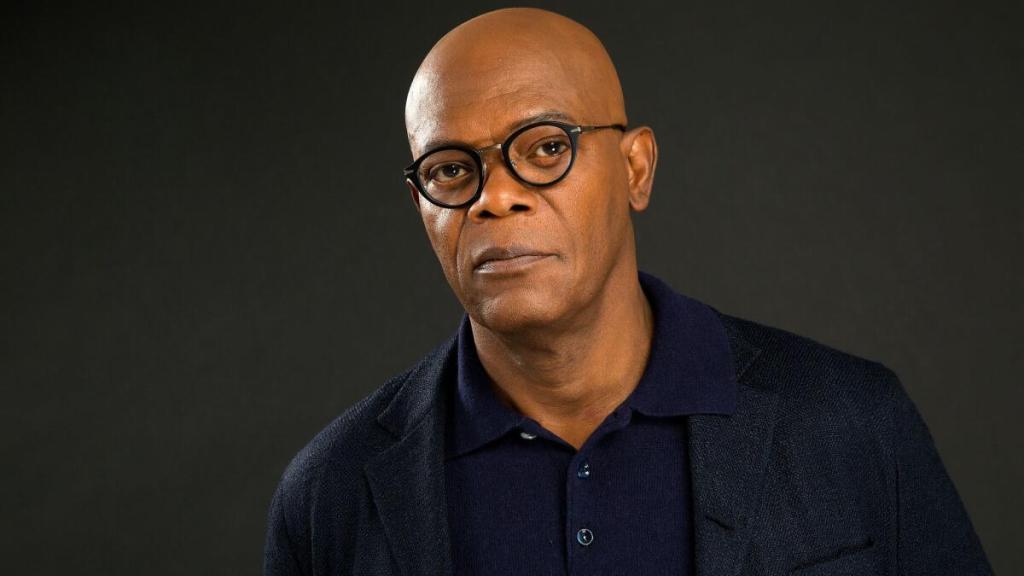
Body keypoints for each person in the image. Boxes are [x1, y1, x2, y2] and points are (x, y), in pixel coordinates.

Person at [264, 7, 991, 575]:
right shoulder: (330, 494)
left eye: (546, 148)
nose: (495, 197)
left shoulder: (853, 422)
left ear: (636, 169)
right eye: (451, 170)